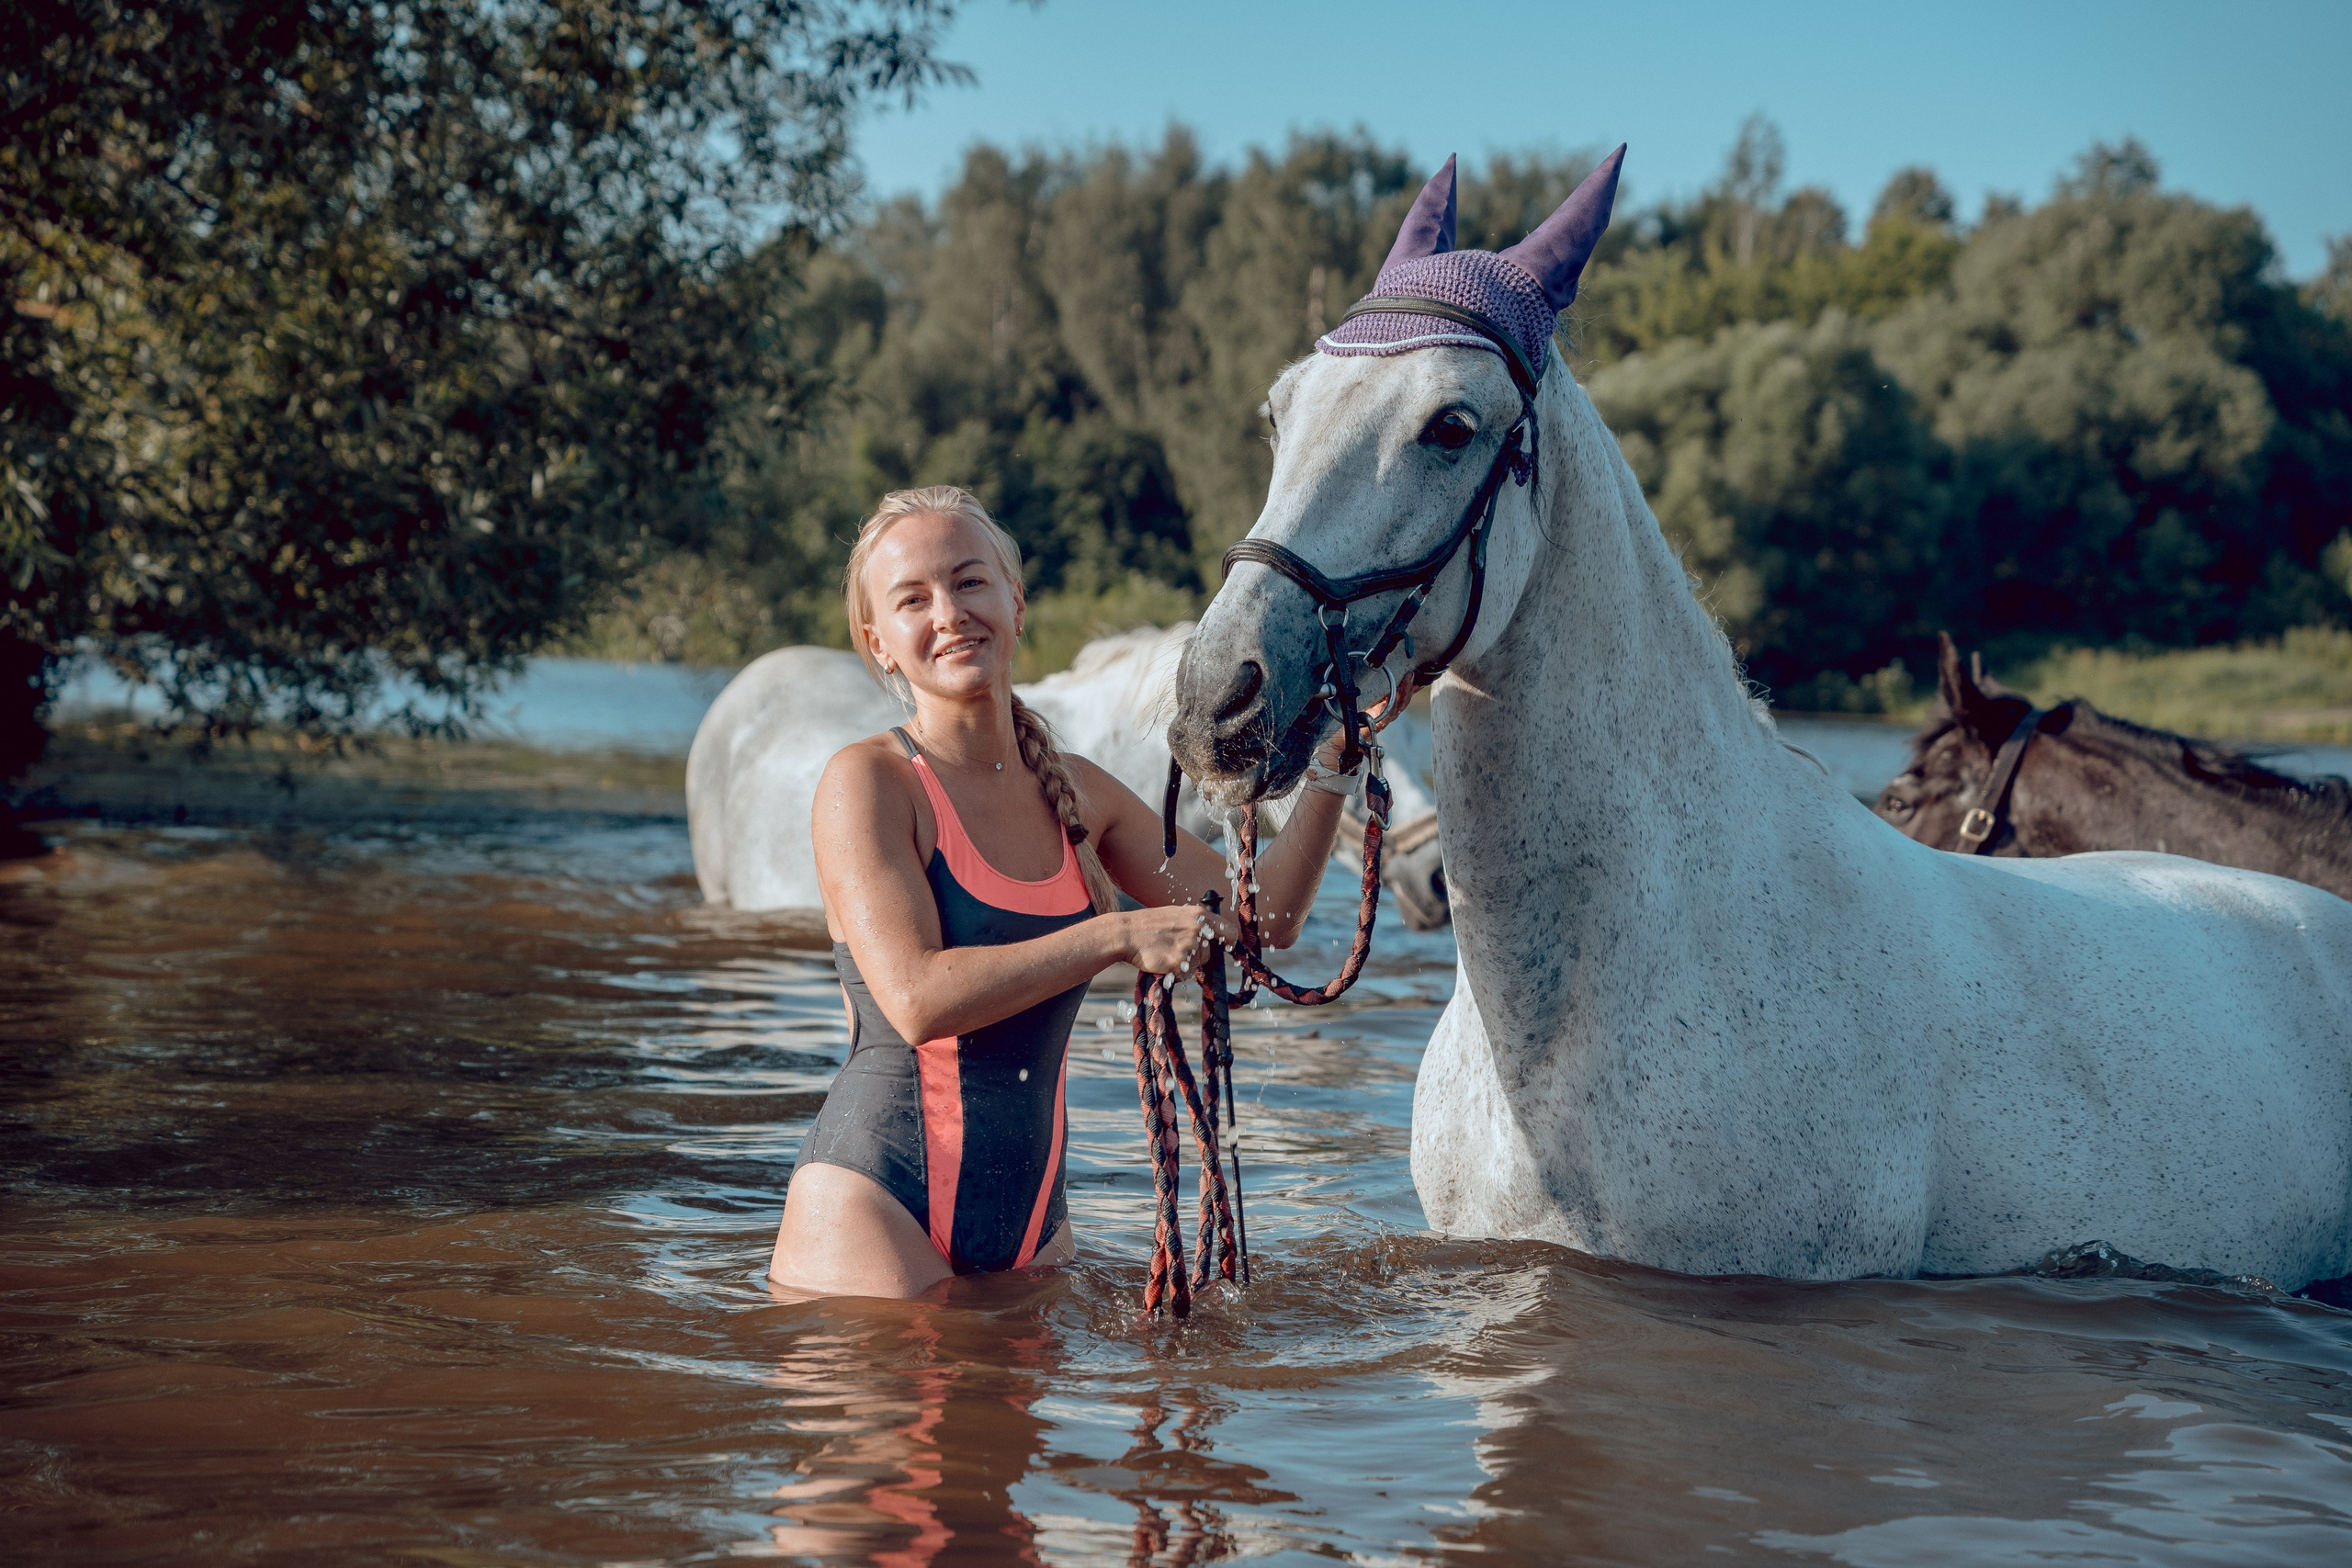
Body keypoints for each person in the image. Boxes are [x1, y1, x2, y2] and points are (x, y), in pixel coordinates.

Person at [768, 485, 1378, 1298]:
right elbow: (915, 998)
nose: (949, 613)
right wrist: (1118, 936)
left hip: (1034, 1225)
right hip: (875, 1208)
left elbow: (1263, 918)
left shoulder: (1084, 796)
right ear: (880, 644)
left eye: (970, 581)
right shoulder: (870, 784)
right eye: (914, 599)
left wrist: (1333, 766)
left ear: (1016, 604)